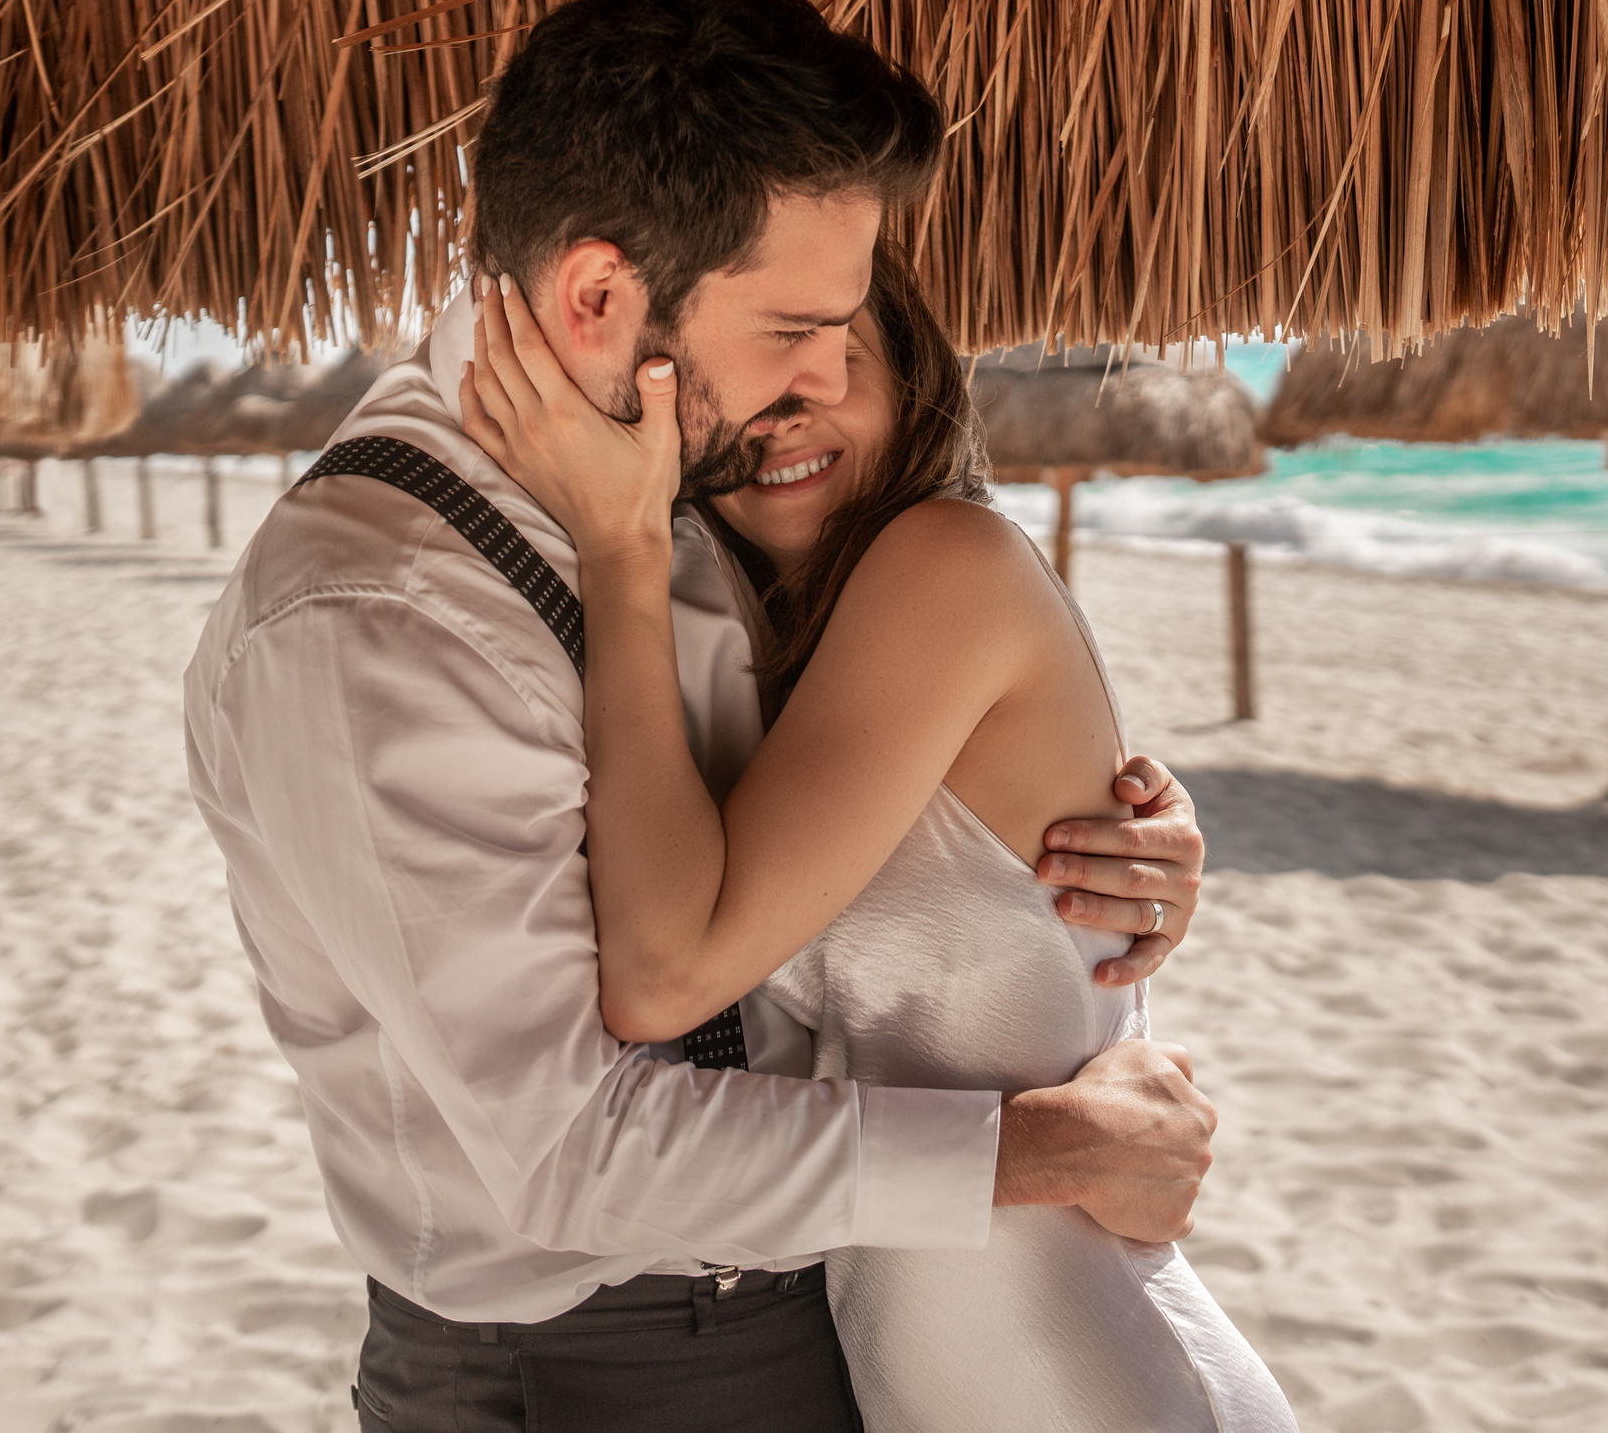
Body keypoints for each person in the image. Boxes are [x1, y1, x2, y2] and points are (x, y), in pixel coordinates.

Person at [182, 0, 1222, 1433]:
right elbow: (571, 1153)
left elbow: (876, 801)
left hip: (838, 1317)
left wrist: (1123, 857)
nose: (827, 373)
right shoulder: (375, 619)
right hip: (596, 1364)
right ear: (601, 296)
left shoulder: (687, 478)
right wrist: (1029, 1144)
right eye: (795, 324)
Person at [459, 244, 1299, 1433]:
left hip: (1087, 1372)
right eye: (734, 384)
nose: (777, 417)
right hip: (933, 1370)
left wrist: (619, 548)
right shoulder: (776, 645)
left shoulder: (945, 560)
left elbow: (660, 976)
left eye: (834, 361)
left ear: (914, 374)